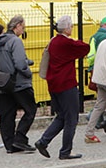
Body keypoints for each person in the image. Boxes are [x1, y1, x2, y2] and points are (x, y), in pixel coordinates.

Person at [35, 15, 90, 159]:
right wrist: (73, 40)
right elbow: (85, 48)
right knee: (71, 118)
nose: (72, 28)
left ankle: (43, 141)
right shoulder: (66, 43)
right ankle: (65, 151)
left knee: (61, 116)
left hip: (53, 84)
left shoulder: (53, 42)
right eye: (71, 26)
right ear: (66, 28)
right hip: (66, 83)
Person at [0, 15, 37, 154]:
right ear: (17, 26)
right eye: (23, 27)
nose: (23, 30)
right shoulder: (15, 41)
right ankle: (20, 138)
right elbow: (19, 63)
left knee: (7, 114)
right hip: (19, 82)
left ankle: (9, 144)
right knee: (30, 110)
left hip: (4, 81)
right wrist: (28, 72)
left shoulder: (0, 41)